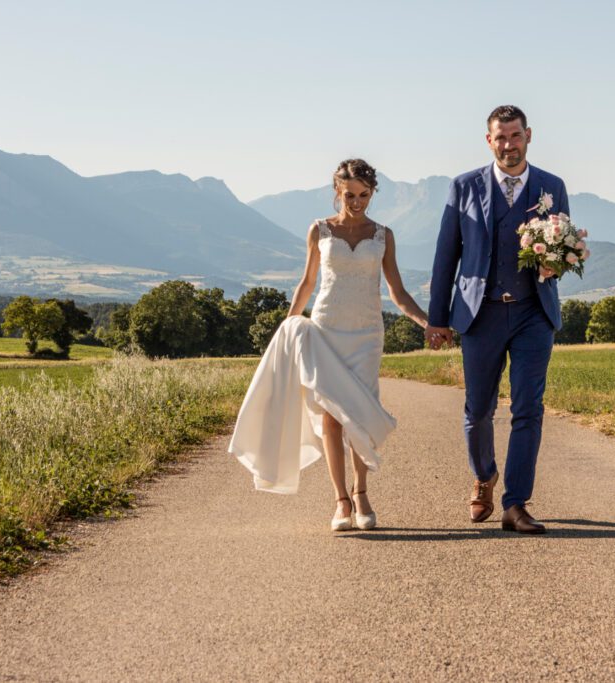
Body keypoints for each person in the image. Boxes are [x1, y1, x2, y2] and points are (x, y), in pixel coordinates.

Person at [228, 159, 428, 531]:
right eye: (350, 194)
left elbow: (397, 293)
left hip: (367, 334)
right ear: (337, 190)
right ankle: (341, 501)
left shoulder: (383, 235)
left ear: (372, 193)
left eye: (364, 195)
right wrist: (289, 323)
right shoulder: (319, 230)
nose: (357, 202)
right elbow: (307, 283)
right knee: (332, 417)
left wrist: (427, 322)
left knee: (360, 415)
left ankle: (362, 492)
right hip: (326, 330)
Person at [425, 105, 568, 534]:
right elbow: (445, 255)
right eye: (500, 137)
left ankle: (516, 503)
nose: (508, 145)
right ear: (489, 141)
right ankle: (484, 474)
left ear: (529, 136)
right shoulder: (464, 186)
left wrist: (557, 262)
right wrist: (437, 318)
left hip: (533, 313)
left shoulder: (552, 186)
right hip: (479, 313)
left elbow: (559, 241)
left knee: (528, 409)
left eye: (515, 136)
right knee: (478, 410)